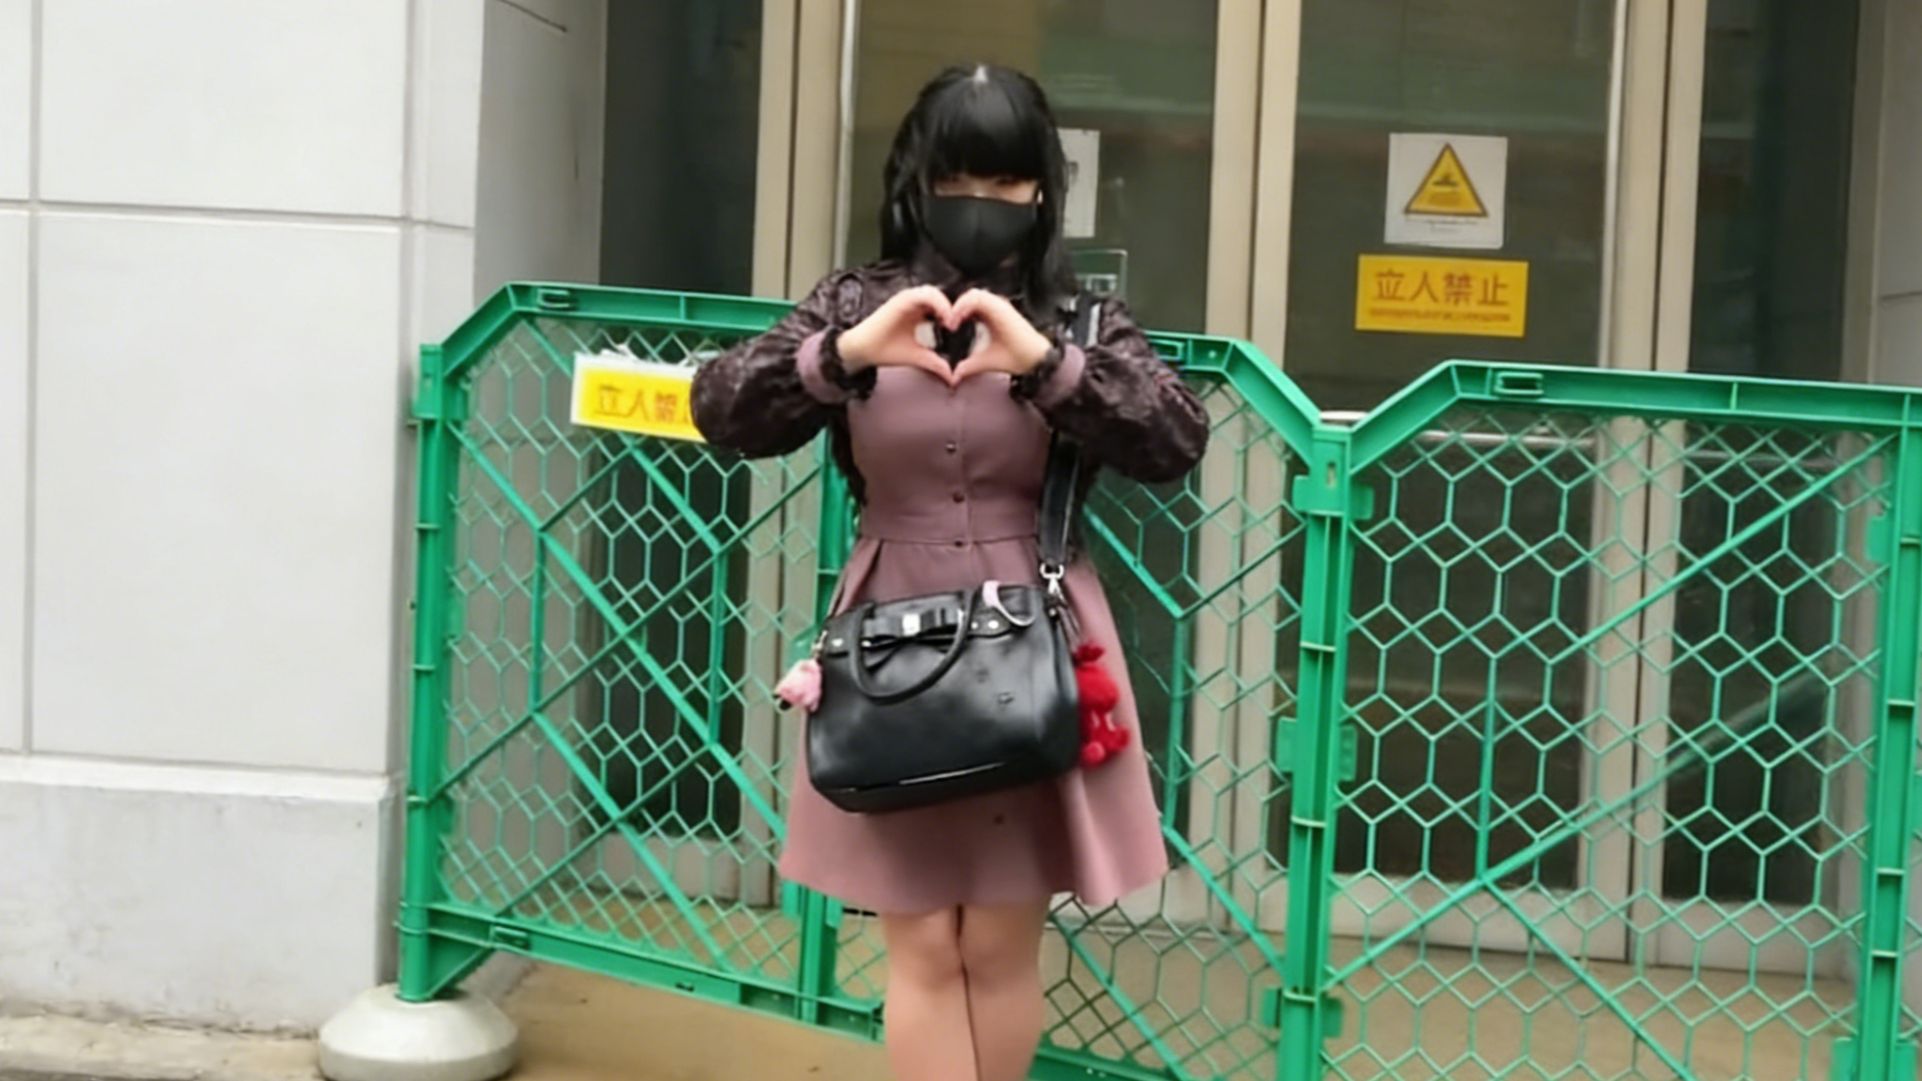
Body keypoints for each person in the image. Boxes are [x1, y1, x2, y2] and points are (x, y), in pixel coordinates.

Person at [690, 64, 1208, 1081]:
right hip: (895, 640)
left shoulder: (1082, 321)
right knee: (923, 944)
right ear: (915, 180)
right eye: (958, 176)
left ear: (1042, 189)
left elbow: (1175, 437)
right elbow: (720, 408)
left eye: (1006, 179)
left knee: (998, 942)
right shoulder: (853, 302)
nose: (982, 201)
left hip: (1035, 639)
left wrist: (1047, 366)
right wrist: (842, 353)